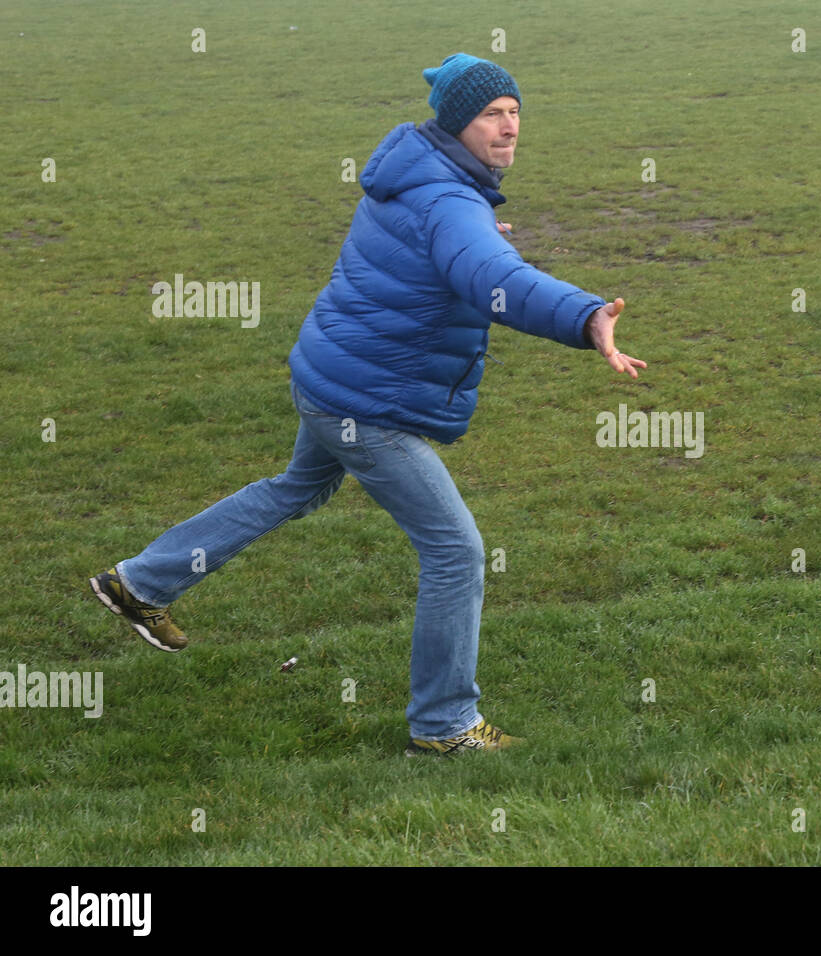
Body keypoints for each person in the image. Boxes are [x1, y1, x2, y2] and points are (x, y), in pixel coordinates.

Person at [90, 53, 646, 757]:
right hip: (366, 404)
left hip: (329, 376)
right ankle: (445, 725)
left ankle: (139, 582)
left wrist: (466, 243)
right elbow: (491, 276)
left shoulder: (415, 173)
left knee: (294, 489)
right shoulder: (449, 202)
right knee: (456, 551)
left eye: (514, 114)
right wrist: (586, 315)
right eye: (491, 115)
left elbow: (445, 251)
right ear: (456, 124)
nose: (508, 129)